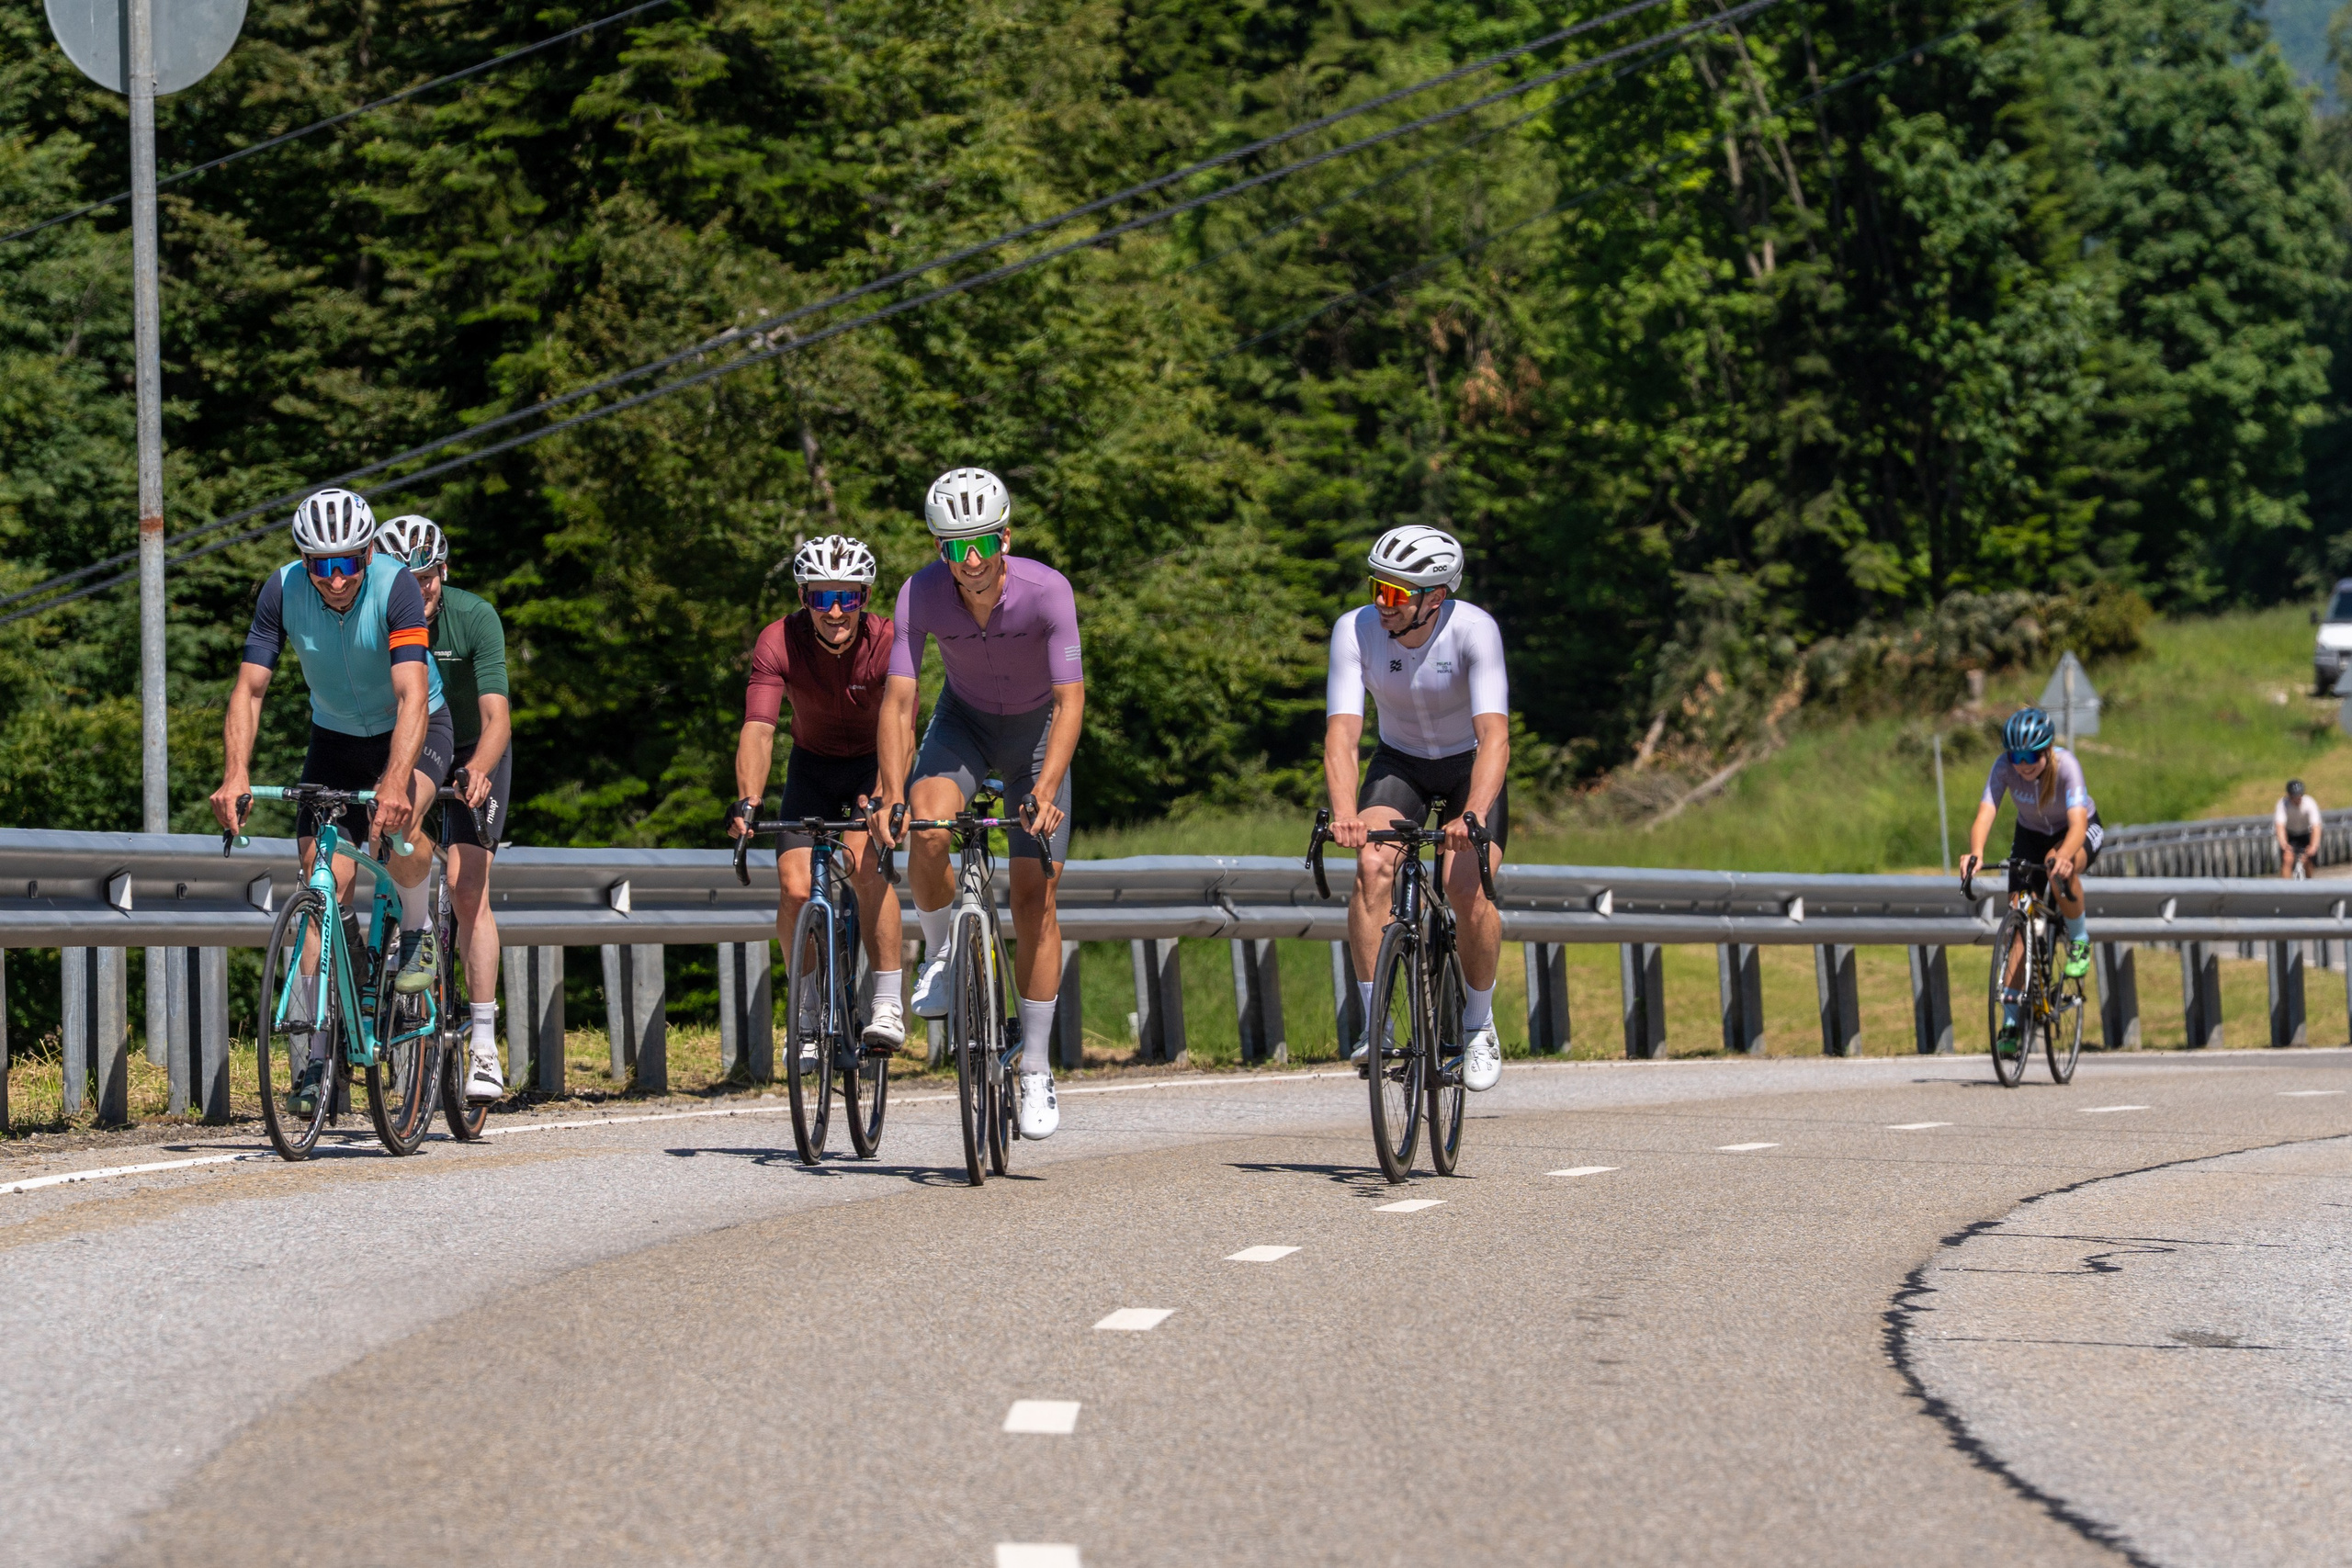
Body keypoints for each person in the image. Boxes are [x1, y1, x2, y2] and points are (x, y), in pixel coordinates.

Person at [209, 489, 454, 1115]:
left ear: (369, 553)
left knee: (401, 831)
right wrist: (236, 773)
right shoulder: (282, 590)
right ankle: (320, 1055)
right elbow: (250, 689)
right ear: (304, 562)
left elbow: (410, 693)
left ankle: (419, 928)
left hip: (414, 725)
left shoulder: (396, 588)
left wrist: (397, 782)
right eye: (323, 565)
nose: (337, 579)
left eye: (348, 563)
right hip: (336, 737)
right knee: (320, 883)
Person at [869, 468, 1083, 1141]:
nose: (970, 562)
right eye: (953, 548)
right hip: (962, 722)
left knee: (1033, 897)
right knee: (927, 827)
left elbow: (1071, 699)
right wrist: (889, 790)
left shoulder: (1048, 591)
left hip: (1036, 736)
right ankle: (938, 954)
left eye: (982, 544)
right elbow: (900, 701)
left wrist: (1046, 788)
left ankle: (1037, 1068)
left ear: (1004, 538)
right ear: (939, 550)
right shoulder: (920, 594)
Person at [1323, 525, 1511, 1090]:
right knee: (1372, 867)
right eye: (1377, 588)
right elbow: (1341, 737)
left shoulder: (1475, 630)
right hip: (1399, 762)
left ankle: (1478, 1025)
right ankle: (1376, 1024)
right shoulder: (1355, 629)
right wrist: (1344, 814)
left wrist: (1472, 814)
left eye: (1395, 594)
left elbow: (1496, 739)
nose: (1381, 603)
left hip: (1468, 765)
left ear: (1434, 598)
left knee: (1465, 885)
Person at [729, 535, 907, 1057]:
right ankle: (806, 1008)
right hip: (811, 767)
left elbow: (902, 726)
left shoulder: (890, 641)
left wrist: (884, 796)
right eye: (821, 597)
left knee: (866, 866)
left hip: (873, 764)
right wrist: (749, 801)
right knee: (795, 887)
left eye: (847, 597)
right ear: (804, 598)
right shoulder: (778, 641)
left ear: (864, 599)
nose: (834, 611)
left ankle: (888, 1004)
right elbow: (759, 728)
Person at [376, 514, 510, 1101]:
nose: (420, 590)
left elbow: (496, 716)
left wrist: (479, 766)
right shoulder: (377, 616)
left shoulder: (474, 615)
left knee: (465, 883)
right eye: (407, 578)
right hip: (409, 740)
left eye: (428, 578)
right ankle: (400, 937)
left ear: (443, 571)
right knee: (390, 837)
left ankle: (483, 1041)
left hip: (472, 749)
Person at [1959, 706, 2104, 1060]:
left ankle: (2080, 940)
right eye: (2016, 756)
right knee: (2018, 925)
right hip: (2030, 834)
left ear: (2048, 749)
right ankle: (2010, 1026)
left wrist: (2066, 856)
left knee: (2058, 870)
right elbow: (1986, 812)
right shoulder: (2003, 768)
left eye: (2032, 756)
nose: (2023, 764)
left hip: (2076, 831)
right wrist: (1975, 852)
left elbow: (2077, 824)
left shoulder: (2066, 766)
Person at [2276, 779, 2323, 878]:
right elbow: (2280, 826)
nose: (2298, 800)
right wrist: (2284, 845)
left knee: (2308, 860)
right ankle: (2285, 890)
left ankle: (2309, 884)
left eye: (2299, 797)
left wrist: (2313, 846)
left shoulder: (2310, 803)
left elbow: (2316, 827)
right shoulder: (2283, 804)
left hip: (2305, 833)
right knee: (2287, 859)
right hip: (2290, 834)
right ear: (2289, 796)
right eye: (2295, 797)